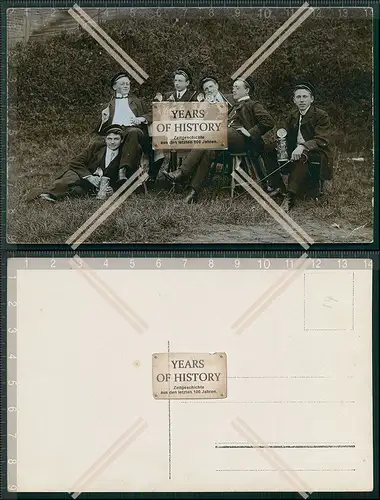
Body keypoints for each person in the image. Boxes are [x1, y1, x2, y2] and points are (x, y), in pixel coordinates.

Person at [162, 76, 274, 203]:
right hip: (227, 138)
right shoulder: (234, 106)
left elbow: (268, 121)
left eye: (237, 88)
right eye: (233, 88)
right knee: (208, 152)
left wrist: (250, 132)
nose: (234, 90)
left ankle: (182, 173)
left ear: (247, 90)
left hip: (242, 140)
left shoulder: (253, 104)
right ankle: (193, 193)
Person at [263, 83, 333, 211]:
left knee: (302, 156)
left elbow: (322, 139)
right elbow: (285, 133)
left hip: (316, 151)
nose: (302, 100)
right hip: (295, 148)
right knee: (268, 149)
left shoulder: (321, 115)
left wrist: (303, 146)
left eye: (305, 97)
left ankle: (290, 197)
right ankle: (278, 187)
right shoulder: (293, 115)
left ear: (311, 99)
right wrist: (280, 142)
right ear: (294, 100)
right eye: (298, 97)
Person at [26, 125, 124, 202]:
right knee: (69, 180)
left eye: (116, 139)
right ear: (105, 140)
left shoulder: (124, 155)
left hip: (93, 186)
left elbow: (125, 176)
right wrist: (89, 176)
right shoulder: (96, 147)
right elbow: (75, 161)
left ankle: (44, 194)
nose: (112, 142)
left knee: (77, 192)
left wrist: (113, 189)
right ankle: (45, 193)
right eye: (109, 139)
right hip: (82, 173)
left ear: (121, 140)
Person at [98, 72, 151, 184]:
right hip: (116, 132)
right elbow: (100, 131)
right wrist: (103, 121)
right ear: (114, 87)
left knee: (133, 132)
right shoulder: (107, 106)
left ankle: (122, 170)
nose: (126, 86)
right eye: (122, 84)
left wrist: (141, 118)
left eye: (128, 84)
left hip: (135, 131)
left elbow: (152, 114)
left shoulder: (137, 101)